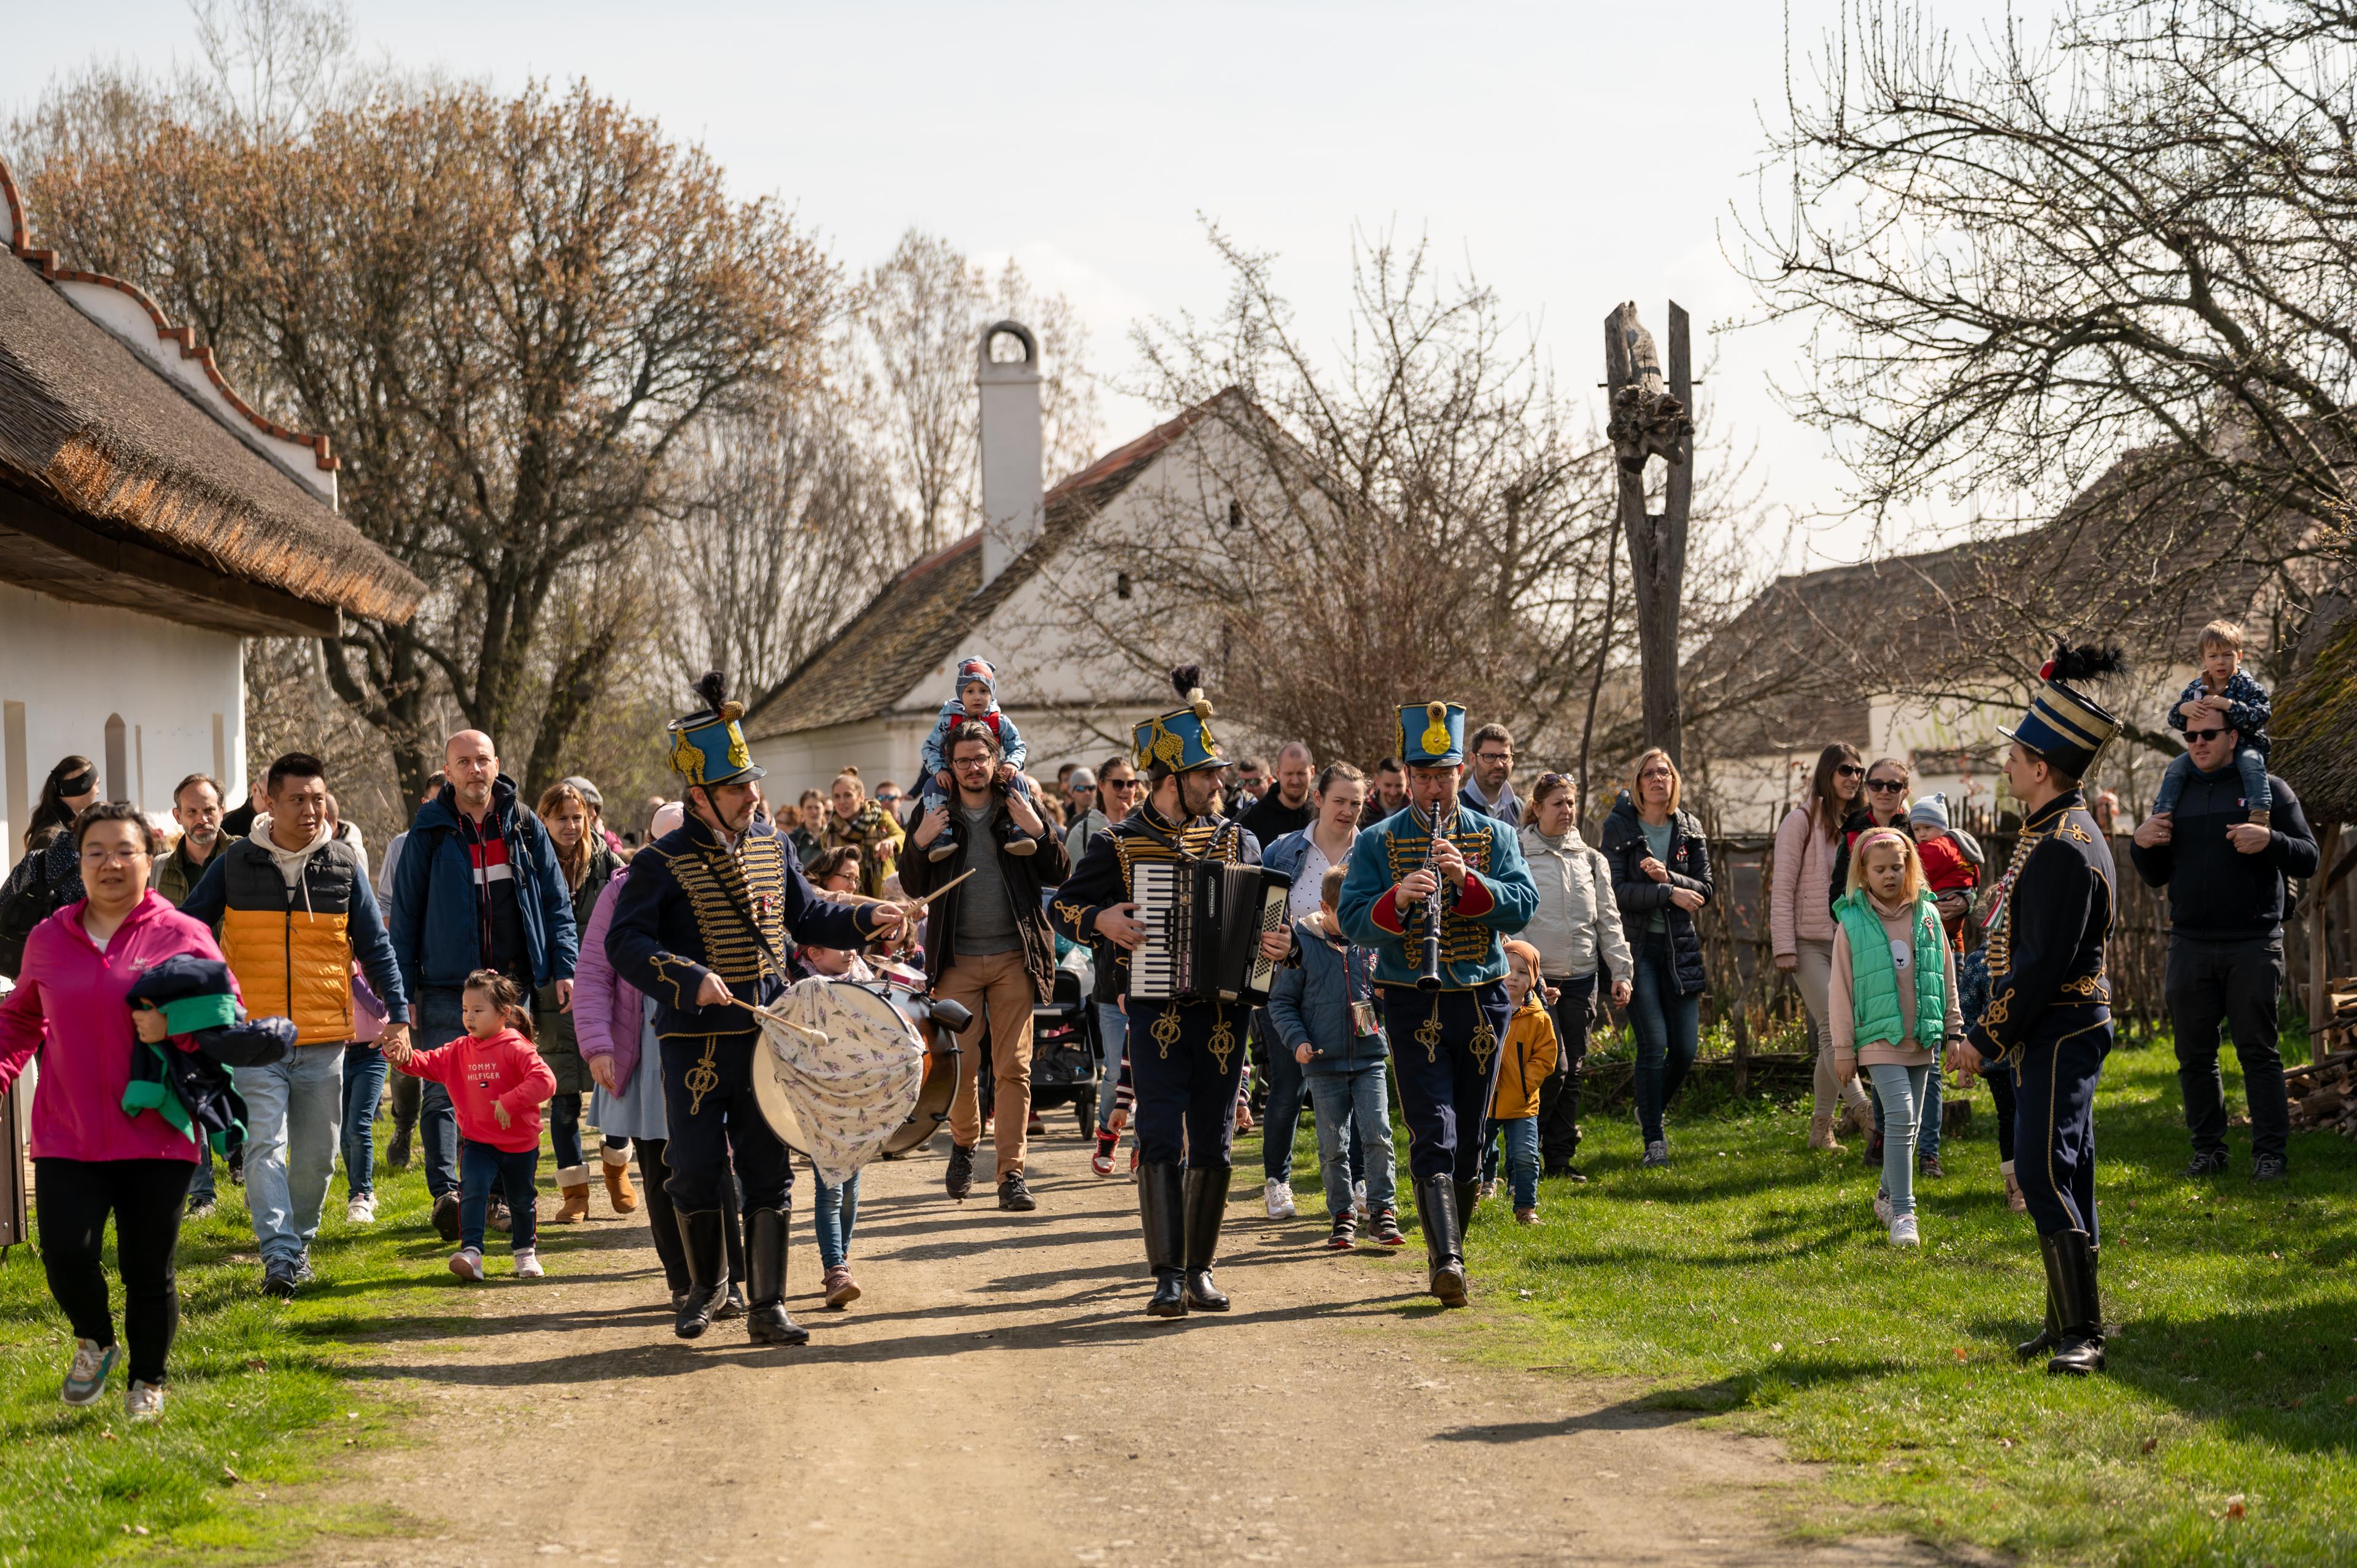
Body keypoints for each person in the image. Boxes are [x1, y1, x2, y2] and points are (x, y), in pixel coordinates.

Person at [606, 674, 904, 1343]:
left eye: (753, 783)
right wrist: (688, 976)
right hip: (694, 1041)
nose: (754, 795)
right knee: (695, 1167)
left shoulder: (774, 845)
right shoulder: (658, 861)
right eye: (740, 786)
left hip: (768, 1036)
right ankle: (707, 1289)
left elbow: (808, 913)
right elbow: (624, 944)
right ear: (701, 795)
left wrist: (866, 916)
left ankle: (769, 1304)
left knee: (770, 1169)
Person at [1052, 666, 1294, 1318]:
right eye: (1206, 774)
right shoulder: (1119, 842)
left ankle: (1201, 1269)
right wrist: (1100, 920)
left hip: (1224, 1013)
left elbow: (1274, 917)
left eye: (1218, 774)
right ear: (1170, 780)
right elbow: (1065, 907)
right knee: (1160, 1131)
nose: (1220, 783)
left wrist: (1280, 945)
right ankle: (1165, 1273)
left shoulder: (1238, 838)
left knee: (1214, 1137)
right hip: (1155, 1010)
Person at [0, 803, 234, 1420]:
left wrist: (169, 1022)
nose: (110, 862)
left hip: (157, 1131)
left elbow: (225, 1011)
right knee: (66, 1255)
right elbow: (22, 1014)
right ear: (79, 862)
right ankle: (97, 1340)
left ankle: (148, 1380)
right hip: (66, 1128)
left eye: (124, 850)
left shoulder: (182, 932)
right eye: (95, 851)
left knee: (145, 1265)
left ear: (148, 857)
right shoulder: (50, 937)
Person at [1948, 643, 2126, 1377]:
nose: (2009, 765)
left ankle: (2082, 1331)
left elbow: (2040, 964)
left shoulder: (2062, 843)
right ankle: (2063, 1319)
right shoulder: (2055, 831)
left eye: (2017, 755)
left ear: (2044, 767)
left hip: (2060, 1023)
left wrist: (1985, 1039)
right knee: (2069, 1165)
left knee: (2041, 1166)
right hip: (2064, 1024)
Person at [180, 752, 411, 1291]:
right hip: (254, 1037)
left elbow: (377, 947)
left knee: (318, 1158)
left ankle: (299, 1241)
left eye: (316, 798)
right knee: (265, 1145)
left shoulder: (342, 863)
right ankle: (280, 1256)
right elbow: (189, 923)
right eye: (297, 799)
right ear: (269, 800)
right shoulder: (237, 863)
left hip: (324, 1036)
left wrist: (397, 1014)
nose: (311, 810)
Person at [1338, 701, 1538, 1307]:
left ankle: (1448, 1249)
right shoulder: (1378, 840)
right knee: (1435, 1130)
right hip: (1409, 999)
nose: (1431, 787)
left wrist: (1468, 881)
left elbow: (1524, 902)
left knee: (1473, 1136)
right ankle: (1446, 1258)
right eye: (1420, 776)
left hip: (1480, 997)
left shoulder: (1495, 834)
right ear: (1406, 775)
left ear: (1461, 771)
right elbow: (1351, 917)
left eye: (1442, 775)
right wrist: (1397, 899)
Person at [387, 730, 577, 1241]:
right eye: (463, 762)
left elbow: (556, 902)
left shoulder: (523, 824)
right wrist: (400, 992)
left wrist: (565, 965)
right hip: (445, 985)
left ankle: (490, 1198)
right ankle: (448, 1194)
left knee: (504, 1088)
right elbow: (404, 918)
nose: (474, 770)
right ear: (447, 771)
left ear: (497, 765)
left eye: (482, 760)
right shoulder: (428, 831)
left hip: (511, 985)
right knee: (444, 1092)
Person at [2130, 697, 2318, 1182]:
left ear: (2233, 737)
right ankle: (2208, 1149)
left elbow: (2308, 857)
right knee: (2194, 1055)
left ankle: (2270, 1154)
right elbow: (2155, 875)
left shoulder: (2269, 790)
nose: (2197, 744)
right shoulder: (2175, 793)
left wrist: (2270, 839)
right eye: (2190, 737)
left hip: (2253, 942)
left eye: (2207, 735)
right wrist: (2140, 843)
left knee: (2258, 1051)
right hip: (2189, 941)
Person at [577, 801, 744, 1318]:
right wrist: (599, 1046)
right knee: (658, 1167)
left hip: (708, 1040)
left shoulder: (728, 877)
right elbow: (594, 972)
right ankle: (683, 1279)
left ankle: (730, 1280)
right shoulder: (622, 889)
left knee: (716, 1164)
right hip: (644, 1047)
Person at [902, 720, 1070, 1211]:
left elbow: (1060, 872)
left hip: (1014, 957)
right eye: (963, 760)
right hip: (956, 960)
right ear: (949, 767)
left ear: (996, 760)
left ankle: (1011, 1175)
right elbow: (912, 885)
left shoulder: (1018, 804)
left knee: (1014, 1067)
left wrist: (1040, 831)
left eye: (981, 758)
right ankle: (965, 1142)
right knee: (961, 1064)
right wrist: (919, 841)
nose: (973, 767)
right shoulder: (934, 808)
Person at [1828, 828, 1963, 1248]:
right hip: (1877, 1036)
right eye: (1880, 868)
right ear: (1863, 872)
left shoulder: (1927, 913)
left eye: (1897, 867)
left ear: (1910, 868)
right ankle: (1904, 1212)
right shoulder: (1851, 922)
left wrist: (1955, 1029)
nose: (1889, 875)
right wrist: (1844, 1048)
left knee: (1914, 1121)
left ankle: (1886, 1194)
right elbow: (1840, 989)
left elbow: (1946, 974)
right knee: (1903, 1117)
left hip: (1921, 1036)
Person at [387, 970, 557, 1281]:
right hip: (478, 1142)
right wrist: (399, 1056)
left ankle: (525, 1253)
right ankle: (472, 1254)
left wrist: (510, 1101)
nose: (469, 1017)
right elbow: (426, 1062)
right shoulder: (459, 1050)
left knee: (520, 1200)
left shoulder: (517, 1047)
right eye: (465, 1010)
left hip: (520, 1144)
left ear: (504, 1013)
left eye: (478, 1011)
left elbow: (546, 1082)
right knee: (473, 1192)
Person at [1268, 863, 1399, 1249]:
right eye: (1348, 913)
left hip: (1370, 1056)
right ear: (1325, 908)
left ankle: (1382, 1212)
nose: (1357, 921)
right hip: (1323, 1061)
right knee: (1332, 1143)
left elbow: (1388, 992)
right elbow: (1281, 1003)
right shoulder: (1302, 945)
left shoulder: (1372, 943)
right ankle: (1342, 1215)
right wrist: (1298, 1042)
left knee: (1378, 1133)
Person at [1258, 763, 1366, 1218]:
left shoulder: (1374, 851)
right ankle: (1277, 1181)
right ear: (1318, 799)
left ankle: (1362, 1183)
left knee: (1363, 1084)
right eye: (1339, 800)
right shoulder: (1282, 851)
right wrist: (1275, 940)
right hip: (1289, 986)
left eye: (1356, 803)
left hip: (1355, 986)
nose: (1347, 810)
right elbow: (1259, 917)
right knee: (1286, 1087)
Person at [1600, 749, 1713, 1169]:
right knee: (1654, 1044)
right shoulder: (1620, 826)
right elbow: (1615, 890)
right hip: (1637, 949)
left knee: (1685, 1049)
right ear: (1637, 782)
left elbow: (1706, 887)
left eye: (1664, 772)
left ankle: (1648, 1105)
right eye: (1648, 773)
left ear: (1674, 780)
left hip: (1679, 948)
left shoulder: (1689, 827)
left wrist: (1670, 878)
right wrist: (1667, 894)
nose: (1657, 779)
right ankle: (1654, 1140)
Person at [1516, 772, 1631, 1180]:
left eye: (1571, 803)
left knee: (1574, 1071)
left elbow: (1608, 921)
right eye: (1558, 804)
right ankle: (1524, 1150)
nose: (1567, 811)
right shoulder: (1520, 853)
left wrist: (1621, 971)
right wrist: (1529, 976)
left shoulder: (1591, 859)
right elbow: (1517, 920)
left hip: (1582, 978)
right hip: (1537, 982)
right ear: (1538, 807)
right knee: (1550, 1069)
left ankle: (1560, 1159)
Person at [535, 781, 631, 1222]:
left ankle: (617, 1169)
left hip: (604, 986)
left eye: (578, 817)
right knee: (564, 1093)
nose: (571, 826)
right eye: (561, 818)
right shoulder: (533, 863)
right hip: (553, 990)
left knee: (613, 1083)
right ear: (545, 820)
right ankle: (575, 1192)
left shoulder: (607, 863)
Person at [1772, 744, 1875, 1153]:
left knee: (1833, 1033)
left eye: (1859, 771)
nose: (1853, 777)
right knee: (1835, 1028)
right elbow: (1782, 886)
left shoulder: (1860, 823)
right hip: (1806, 941)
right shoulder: (1800, 821)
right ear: (1828, 773)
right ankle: (1865, 1113)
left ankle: (1820, 1129)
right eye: (1845, 770)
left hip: (1848, 942)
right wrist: (1784, 946)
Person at [148, 773, 235, 1217]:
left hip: (239, 992)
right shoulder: (160, 867)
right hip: (183, 994)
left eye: (210, 809)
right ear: (177, 815)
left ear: (223, 809)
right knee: (189, 1086)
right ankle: (202, 1191)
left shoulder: (245, 856)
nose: (203, 819)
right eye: (193, 811)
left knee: (246, 1084)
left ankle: (242, 1155)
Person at [793, 902, 875, 1308]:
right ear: (813, 954)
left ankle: (840, 1257)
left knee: (853, 1186)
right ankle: (835, 1268)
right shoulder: (800, 991)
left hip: (858, 1100)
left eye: (852, 942)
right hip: (819, 1101)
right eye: (838, 943)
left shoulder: (864, 981)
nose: (850, 949)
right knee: (830, 1188)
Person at [2153, 619, 2275, 828]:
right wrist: (2183, 709)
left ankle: (2259, 810)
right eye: (2214, 656)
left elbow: (2262, 715)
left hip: (2248, 745)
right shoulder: (2195, 688)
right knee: (2176, 766)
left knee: (2251, 763)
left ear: (2239, 656)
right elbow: (2174, 719)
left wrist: (2229, 705)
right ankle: (2162, 814)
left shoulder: (2248, 686)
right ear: (2204, 659)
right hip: (2210, 747)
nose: (2221, 662)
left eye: (2228, 655)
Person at [918, 656, 1034, 862]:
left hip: (992, 774)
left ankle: (1018, 829)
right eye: (970, 691)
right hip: (955, 775)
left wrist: (1012, 763)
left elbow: (1018, 746)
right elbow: (930, 747)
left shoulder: (1000, 721)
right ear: (960, 693)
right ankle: (941, 836)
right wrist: (940, 770)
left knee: (1018, 781)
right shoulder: (948, 719)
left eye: (984, 691)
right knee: (930, 786)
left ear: (992, 694)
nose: (977, 697)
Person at [2, 756, 99, 981]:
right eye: (96, 785)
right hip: (52, 962)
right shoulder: (52, 837)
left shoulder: (62, 827)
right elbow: (33, 897)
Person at [1490, 940, 1558, 1224]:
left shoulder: (1538, 1018)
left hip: (1522, 1101)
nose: (1513, 977)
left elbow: (1546, 1057)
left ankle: (1525, 1208)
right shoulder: (1485, 1007)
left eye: (1522, 972)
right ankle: (1472, 1196)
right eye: (1507, 969)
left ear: (1533, 979)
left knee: (1525, 1156)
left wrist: (1524, 1083)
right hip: (1486, 1100)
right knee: (1475, 1151)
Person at [821, 767, 904, 898]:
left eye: (848, 795)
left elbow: (903, 837)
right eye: (837, 796)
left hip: (886, 896)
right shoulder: (828, 834)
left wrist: (890, 841)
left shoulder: (881, 818)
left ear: (861, 797)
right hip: (852, 901)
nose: (842, 801)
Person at [1240, 743, 1317, 846]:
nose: (1295, 781)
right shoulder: (1252, 818)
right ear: (1278, 773)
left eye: (1301, 773)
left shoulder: (1323, 813)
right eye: (1289, 774)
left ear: (1312, 772)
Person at [1460, 724, 1523, 827]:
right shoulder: (1455, 808)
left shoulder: (1519, 809)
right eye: (1489, 756)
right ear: (1473, 759)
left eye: (1504, 756)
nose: (1498, 764)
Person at [789, 790, 827, 867]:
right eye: (809, 808)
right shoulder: (794, 838)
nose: (814, 812)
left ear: (824, 808)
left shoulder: (832, 835)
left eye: (817, 807)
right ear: (802, 809)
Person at [1364, 758, 1407, 825]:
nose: (1393, 792)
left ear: (1408, 781)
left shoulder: (1417, 810)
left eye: (1399, 786)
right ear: (1377, 780)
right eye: (1388, 785)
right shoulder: (1363, 810)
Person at [1228, 754, 1271, 820]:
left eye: (1254, 782)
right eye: (1242, 782)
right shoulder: (1231, 806)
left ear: (1269, 781)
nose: (1247, 788)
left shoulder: (1283, 805)